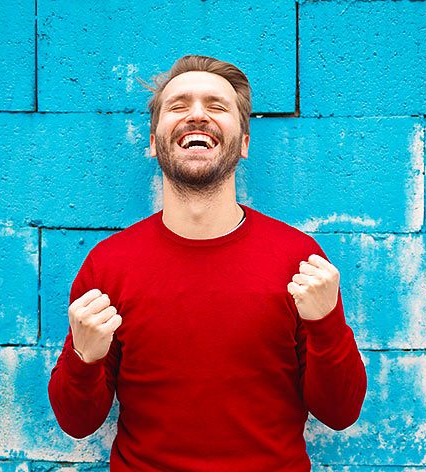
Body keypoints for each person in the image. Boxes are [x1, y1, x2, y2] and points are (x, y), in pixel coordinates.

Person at [48, 54, 367, 471]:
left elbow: (340, 413)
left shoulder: (298, 261)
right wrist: (84, 358)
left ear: (245, 142)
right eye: (178, 106)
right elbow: (77, 422)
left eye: (216, 106)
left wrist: (326, 326)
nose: (197, 115)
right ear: (152, 140)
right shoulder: (108, 266)